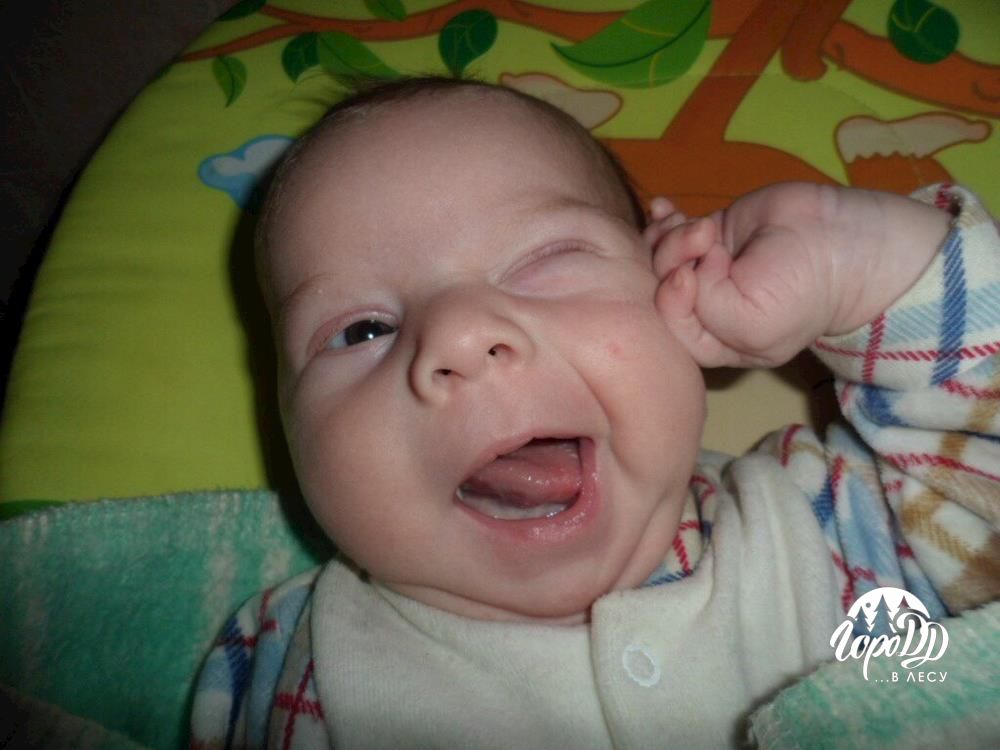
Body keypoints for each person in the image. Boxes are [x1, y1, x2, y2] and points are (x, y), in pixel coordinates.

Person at [190, 76, 1000, 748]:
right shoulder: (286, 664)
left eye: (547, 258)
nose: (460, 336)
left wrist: (855, 265)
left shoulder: (832, 526)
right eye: (362, 330)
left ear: (672, 278)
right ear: (286, 425)